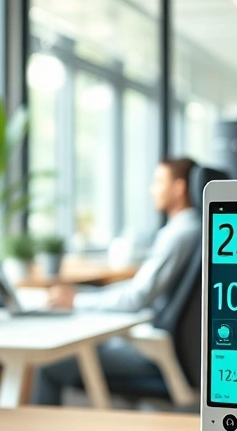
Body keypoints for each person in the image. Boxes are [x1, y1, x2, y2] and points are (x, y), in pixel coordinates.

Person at [32, 157, 201, 405]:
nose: (152, 189)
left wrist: (77, 299)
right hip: (158, 345)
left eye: (158, 181)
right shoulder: (192, 228)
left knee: (50, 365)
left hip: (154, 355)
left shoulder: (180, 234)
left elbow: (138, 297)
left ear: (179, 187)